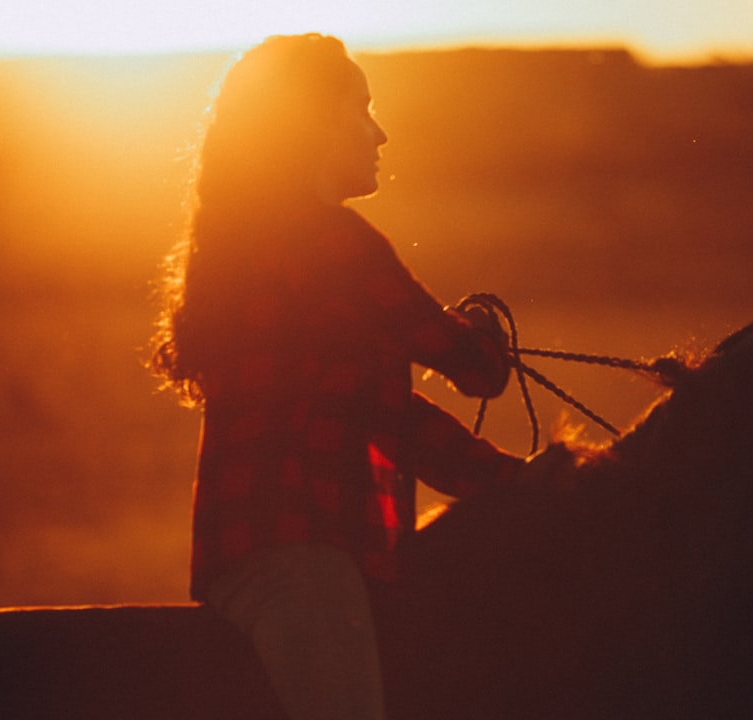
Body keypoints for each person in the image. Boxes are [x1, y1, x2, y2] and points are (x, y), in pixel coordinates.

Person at [149, 33, 527, 720]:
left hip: (254, 552)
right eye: (361, 111)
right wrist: (484, 337)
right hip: (300, 555)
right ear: (313, 126)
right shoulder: (332, 243)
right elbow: (472, 368)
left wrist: (508, 481)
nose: (379, 133)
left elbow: (383, 416)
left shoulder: (253, 246)